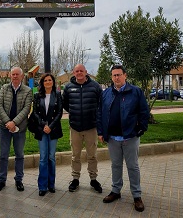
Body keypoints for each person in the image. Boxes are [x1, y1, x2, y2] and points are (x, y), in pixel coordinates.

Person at [97, 64, 149, 212]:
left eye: (119, 75)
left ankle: (137, 195)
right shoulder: (106, 93)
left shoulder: (136, 92)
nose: (116, 78)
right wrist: (101, 132)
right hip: (113, 138)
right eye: (114, 75)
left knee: (132, 166)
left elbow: (144, 112)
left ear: (125, 75)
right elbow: (100, 113)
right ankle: (116, 191)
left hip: (130, 137)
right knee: (116, 165)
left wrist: (141, 128)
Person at [62, 64, 103, 193]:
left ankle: (93, 179)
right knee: (75, 156)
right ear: (74, 73)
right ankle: (75, 179)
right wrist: (75, 113)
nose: (79, 73)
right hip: (75, 127)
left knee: (92, 156)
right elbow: (65, 104)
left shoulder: (95, 86)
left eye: (81, 71)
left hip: (91, 127)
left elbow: (101, 104)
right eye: (77, 71)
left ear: (86, 72)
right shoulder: (68, 87)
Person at [0, 67, 32, 192]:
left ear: (21, 76)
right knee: (3, 155)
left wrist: (14, 123)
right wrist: (8, 123)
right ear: (10, 76)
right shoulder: (4, 88)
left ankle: (19, 180)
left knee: (19, 155)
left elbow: (26, 109)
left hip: (19, 128)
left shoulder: (27, 90)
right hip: (4, 127)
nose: (15, 76)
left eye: (17, 74)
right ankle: (1, 180)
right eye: (13, 74)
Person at [32, 73, 63, 196]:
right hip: (41, 129)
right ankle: (42, 186)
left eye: (50, 80)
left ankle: (51, 184)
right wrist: (44, 124)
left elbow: (59, 112)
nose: (48, 82)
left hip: (53, 130)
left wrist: (50, 126)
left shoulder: (58, 95)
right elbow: (35, 112)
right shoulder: (37, 96)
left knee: (51, 157)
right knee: (43, 158)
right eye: (45, 80)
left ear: (53, 82)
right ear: (42, 83)